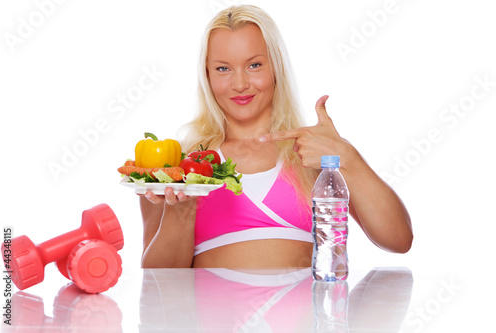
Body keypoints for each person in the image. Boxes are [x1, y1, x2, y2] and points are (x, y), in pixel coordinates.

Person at [139, 5, 413, 268]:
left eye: (254, 65)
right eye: (223, 68)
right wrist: (181, 212)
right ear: (207, 76)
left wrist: (347, 157)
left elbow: (398, 240)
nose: (240, 84)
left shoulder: (314, 153)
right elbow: (157, 283)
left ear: (276, 68)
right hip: (212, 317)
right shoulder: (179, 167)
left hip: (309, 316)